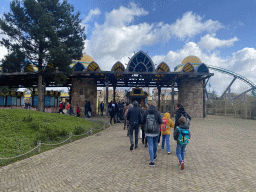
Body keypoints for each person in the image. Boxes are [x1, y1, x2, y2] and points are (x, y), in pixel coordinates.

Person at [142, 101, 163, 167]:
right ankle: (154, 155)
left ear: (149, 105)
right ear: (155, 105)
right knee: (155, 144)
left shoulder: (146, 112)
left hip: (148, 131)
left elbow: (142, 121)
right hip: (156, 131)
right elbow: (160, 122)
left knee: (150, 145)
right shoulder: (157, 112)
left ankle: (152, 161)